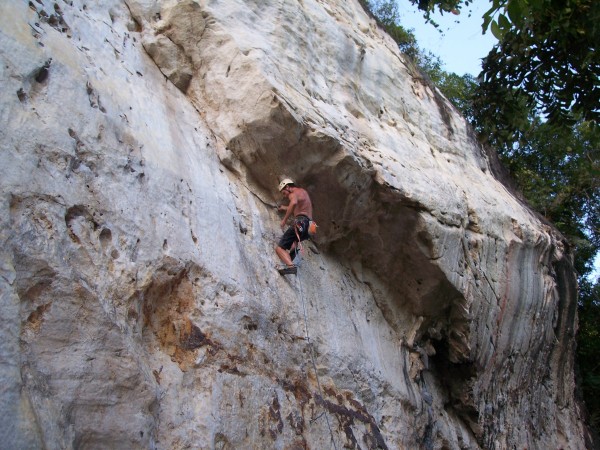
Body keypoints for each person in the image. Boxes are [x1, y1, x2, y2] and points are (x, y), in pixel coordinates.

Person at [275, 178, 313, 275]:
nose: (285, 195)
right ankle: (290, 258)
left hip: (301, 222)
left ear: (287, 187)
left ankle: (291, 267)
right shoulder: (302, 192)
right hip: (310, 227)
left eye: (284, 193)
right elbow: (297, 206)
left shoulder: (293, 193)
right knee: (294, 242)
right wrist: (284, 208)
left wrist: (284, 220)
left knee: (279, 248)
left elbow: (293, 203)